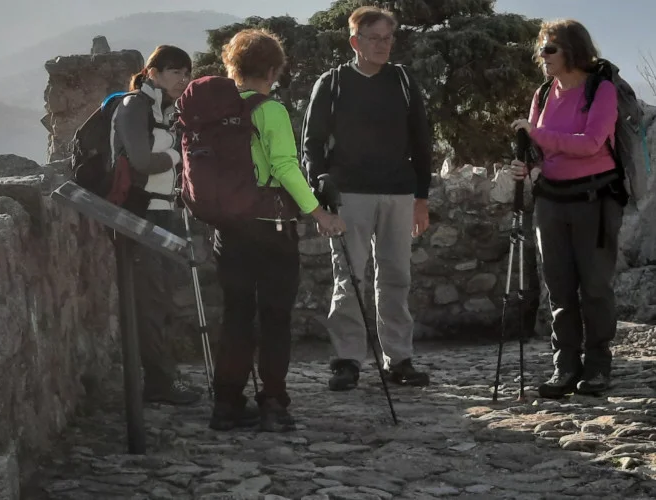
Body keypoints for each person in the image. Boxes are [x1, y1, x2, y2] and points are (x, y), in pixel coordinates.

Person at [209, 28, 346, 432]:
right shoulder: (271, 110)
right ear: (272, 70)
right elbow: (285, 167)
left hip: (228, 228)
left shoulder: (215, 111)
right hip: (271, 228)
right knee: (273, 318)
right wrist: (319, 213)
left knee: (236, 316)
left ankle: (226, 404)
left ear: (232, 67)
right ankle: (273, 403)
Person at [300, 6, 433, 392]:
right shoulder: (333, 82)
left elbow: (421, 141)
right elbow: (311, 143)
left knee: (397, 277)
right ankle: (347, 361)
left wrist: (421, 198)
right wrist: (320, 190)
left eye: (388, 38)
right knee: (349, 277)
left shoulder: (403, 81)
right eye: (374, 38)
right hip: (349, 195)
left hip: (398, 193)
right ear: (354, 41)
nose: (382, 45)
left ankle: (399, 358)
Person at [510, 19, 623, 397]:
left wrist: (537, 134)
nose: (541, 56)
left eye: (549, 49)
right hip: (551, 201)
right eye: (540, 48)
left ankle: (598, 366)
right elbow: (536, 147)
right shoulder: (543, 93)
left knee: (595, 287)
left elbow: (591, 143)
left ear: (572, 51)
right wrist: (526, 164)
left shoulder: (601, 90)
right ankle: (565, 365)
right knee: (558, 288)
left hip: (595, 200)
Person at [111, 45, 200, 405]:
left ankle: (164, 376)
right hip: (141, 214)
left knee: (162, 299)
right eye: (176, 71)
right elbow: (142, 161)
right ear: (152, 73)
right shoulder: (134, 106)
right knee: (149, 301)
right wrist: (179, 152)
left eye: (187, 73)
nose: (183, 79)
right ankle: (158, 383)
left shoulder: (165, 110)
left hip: (163, 212)